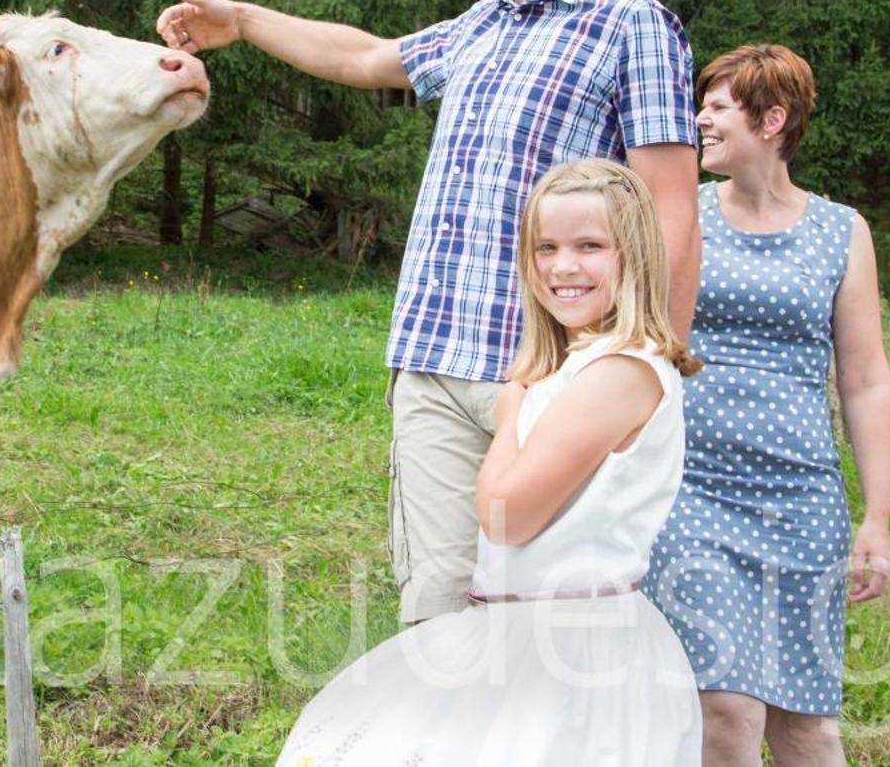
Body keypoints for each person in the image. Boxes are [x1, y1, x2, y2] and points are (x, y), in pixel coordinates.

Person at [157, 0, 700, 623]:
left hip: (554, 373)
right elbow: (364, 57)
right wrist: (241, 19)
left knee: (547, 617)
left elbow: (669, 207)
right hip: (435, 365)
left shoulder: (632, 25)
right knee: (440, 617)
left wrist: (651, 365)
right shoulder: (479, 27)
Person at [279, 159, 704, 765]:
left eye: (591, 246)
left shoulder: (619, 372)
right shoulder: (584, 366)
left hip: (570, 656)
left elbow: (507, 518)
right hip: (526, 635)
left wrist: (509, 421)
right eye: (546, 248)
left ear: (634, 255)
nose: (563, 266)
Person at [643, 45, 890, 767]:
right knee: (724, 706)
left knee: (806, 725)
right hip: (691, 490)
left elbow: (866, 379)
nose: (700, 119)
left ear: (773, 118)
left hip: (801, 500)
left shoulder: (841, 230)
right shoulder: (680, 213)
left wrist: (875, 516)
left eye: (718, 107)